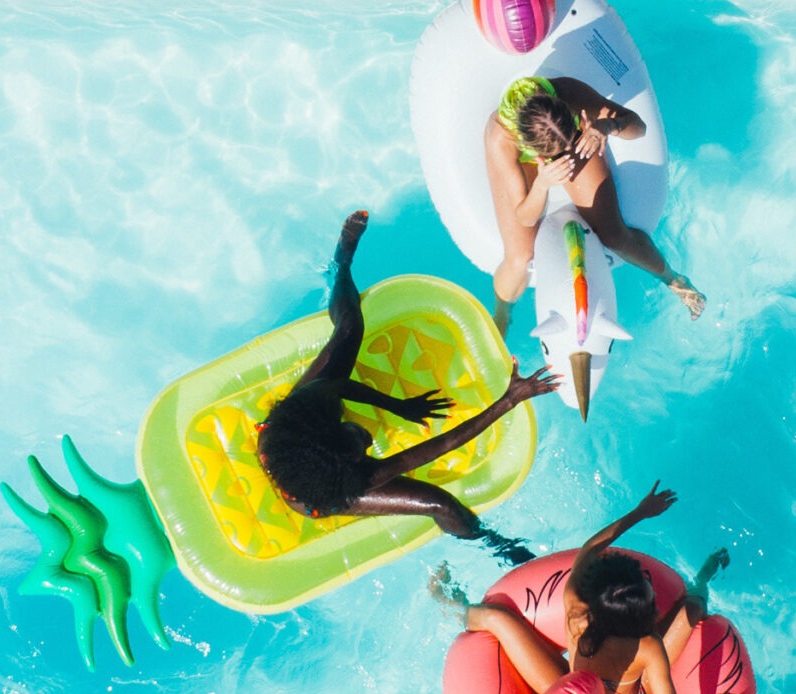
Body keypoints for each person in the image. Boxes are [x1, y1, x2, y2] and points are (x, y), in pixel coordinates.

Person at [258, 210, 556, 560]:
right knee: (440, 504)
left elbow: (339, 385)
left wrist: (400, 406)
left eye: (359, 439)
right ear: (350, 464)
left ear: (326, 425)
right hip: (316, 497)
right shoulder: (355, 478)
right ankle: (494, 546)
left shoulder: (309, 404)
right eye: (365, 452)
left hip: (294, 438)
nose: (370, 441)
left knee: (350, 329)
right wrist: (510, 399)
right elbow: (443, 444)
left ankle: (341, 267)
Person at [432, 482, 744, 694]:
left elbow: (592, 547)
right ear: (639, 618)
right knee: (690, 610)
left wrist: (639, 513)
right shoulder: (646, 646)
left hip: (570, 691)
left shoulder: (575, 605)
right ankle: (703, 578)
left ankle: (450, 604)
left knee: (496, 617)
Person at [484, 76, 704, 335]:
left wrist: (607, 126)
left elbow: (639, 127)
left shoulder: (570, 93)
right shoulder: (503, 139)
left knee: (615, 236)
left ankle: (673, 278)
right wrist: (542, 184)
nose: (568, 158)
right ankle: (503, 311)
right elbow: (525, 217)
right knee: (519, 258)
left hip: (564, 134)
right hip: (527, 159)